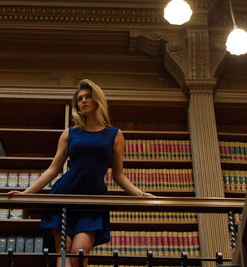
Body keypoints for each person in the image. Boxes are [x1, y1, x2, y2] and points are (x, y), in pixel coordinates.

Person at [8, 79, 154, 267]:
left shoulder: (115, 134)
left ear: (97, 100)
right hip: (64, 194)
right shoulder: (69, 133)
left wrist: (141, 195)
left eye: (87, 97)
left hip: (93, 198)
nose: (83, 101)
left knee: (79, 254)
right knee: (64, 250)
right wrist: (26, 194)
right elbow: (53, 169)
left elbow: (119, 175)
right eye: (79, 99)